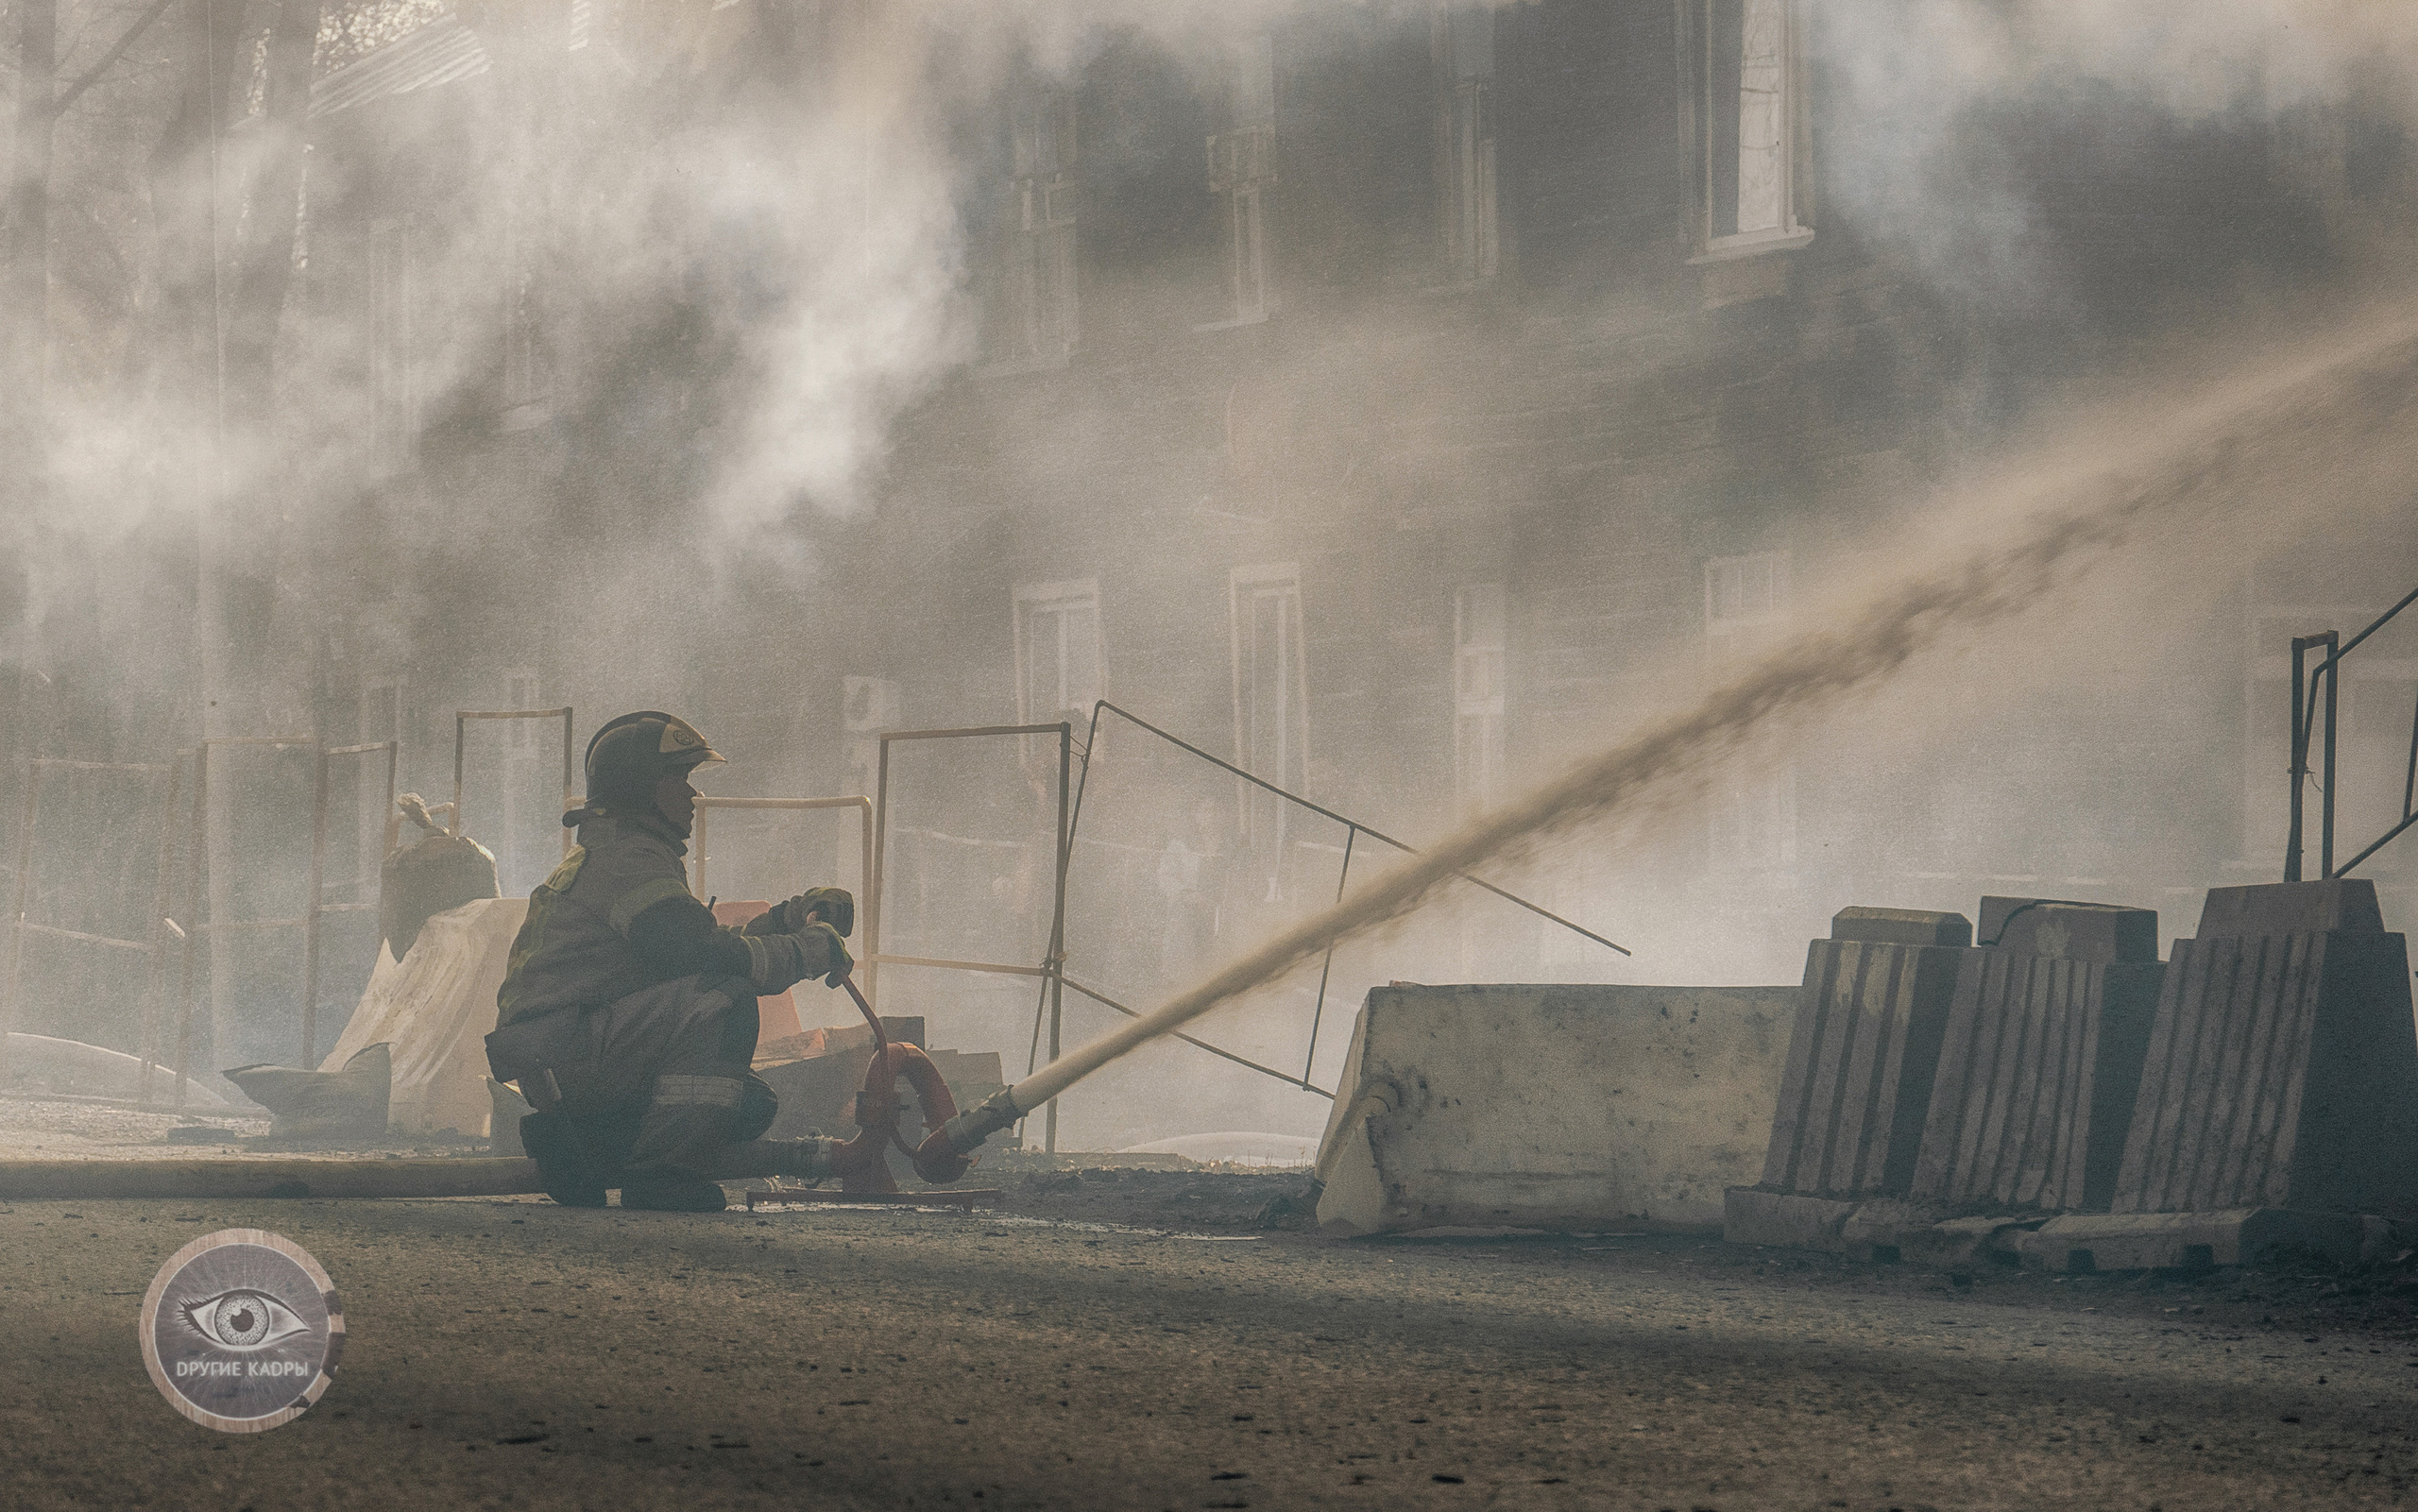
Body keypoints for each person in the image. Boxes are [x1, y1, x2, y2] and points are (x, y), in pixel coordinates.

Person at [485, 711, 855, 1212]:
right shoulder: (627, 858)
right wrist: (809, 951)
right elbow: (696, 956)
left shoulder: (624, 851)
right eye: (678, 778)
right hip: (569, 1052)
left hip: (566, 1052)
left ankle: (582, 1146)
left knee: (747, 1105)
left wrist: (788, 918)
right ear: (640, 787)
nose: (693, 794)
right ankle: (661, 1177)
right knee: (724, 1000)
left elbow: (687, 946)